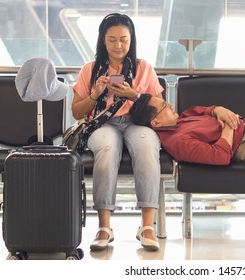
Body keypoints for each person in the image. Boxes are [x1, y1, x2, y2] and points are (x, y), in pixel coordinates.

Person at [72, 13, 163, 251]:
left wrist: (132, 95)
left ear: (131, 40)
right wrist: (96, 94)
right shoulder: (89, 70)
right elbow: (76, 111)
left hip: (137, 123)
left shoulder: (144, 68)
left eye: (123, 39)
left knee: (146, 148)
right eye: (112, 39)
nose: (118, 45)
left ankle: (147, 226)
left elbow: (160, 107)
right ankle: (104, 227)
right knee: (107, 147)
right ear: (103, 40)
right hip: (102, 124)